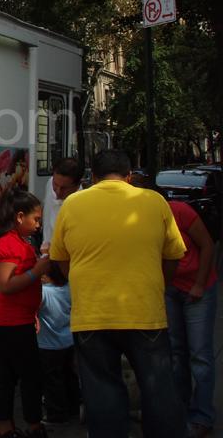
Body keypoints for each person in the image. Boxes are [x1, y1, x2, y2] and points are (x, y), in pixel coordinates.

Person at [48, 149, 187, 438]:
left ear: (94, 177)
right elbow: (174, 255)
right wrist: (159, 285)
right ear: (129, 177)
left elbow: (61, 259)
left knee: (102, 395)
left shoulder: (73, 204)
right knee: (158, 391)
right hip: (145, 313)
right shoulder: (154, 202)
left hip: (92, 316)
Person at [0, 188, 52, 438]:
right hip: (10, 322)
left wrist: (32, 313)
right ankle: (32, 426)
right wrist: (38, 270)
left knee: (9, 374)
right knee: (27, 376)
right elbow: (5, 285)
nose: (38, 225)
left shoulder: (18, 243)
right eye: (36, 219)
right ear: (20, 217)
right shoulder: (10, 245)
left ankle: (8, 428)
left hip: (17, 319)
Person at [164, 199, 218, 438]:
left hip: (198, 288)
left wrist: (198, 284)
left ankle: (202, 415)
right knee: (177, 351)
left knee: (200, 354)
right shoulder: (140, 220)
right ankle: (180, 408)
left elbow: (208, 245)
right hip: (171, 289)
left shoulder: (178, 211)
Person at [36, 262, 80, 424]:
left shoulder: (44, 293)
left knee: (52, 381)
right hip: (69, 341)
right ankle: (75, 406)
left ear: (48, 276)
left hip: (48, 345)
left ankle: (57, 413)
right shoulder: (69, 288)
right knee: (70, 376)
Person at [40, 158, 83, 253]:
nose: (58, 192)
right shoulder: (50, 183)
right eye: (55, 185)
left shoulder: (81, 204)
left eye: (64, 188)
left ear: (77, 185)